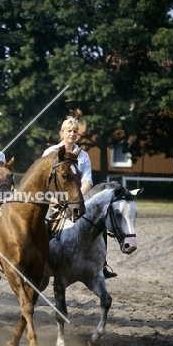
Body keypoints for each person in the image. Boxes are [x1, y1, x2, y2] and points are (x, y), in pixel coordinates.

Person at [43, 117, 117, 278]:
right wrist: (53, 198)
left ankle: (101, 265)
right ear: (62, 133)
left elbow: (87, 181)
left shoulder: (83, 156)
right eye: (69, 131)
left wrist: (76, 198)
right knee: (42, 225)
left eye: (75, 131)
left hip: (76, 200)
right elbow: (43, 180)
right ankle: (38, 260)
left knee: (98, 224)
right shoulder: (50, 153)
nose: (72, 134)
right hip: (53, 200)